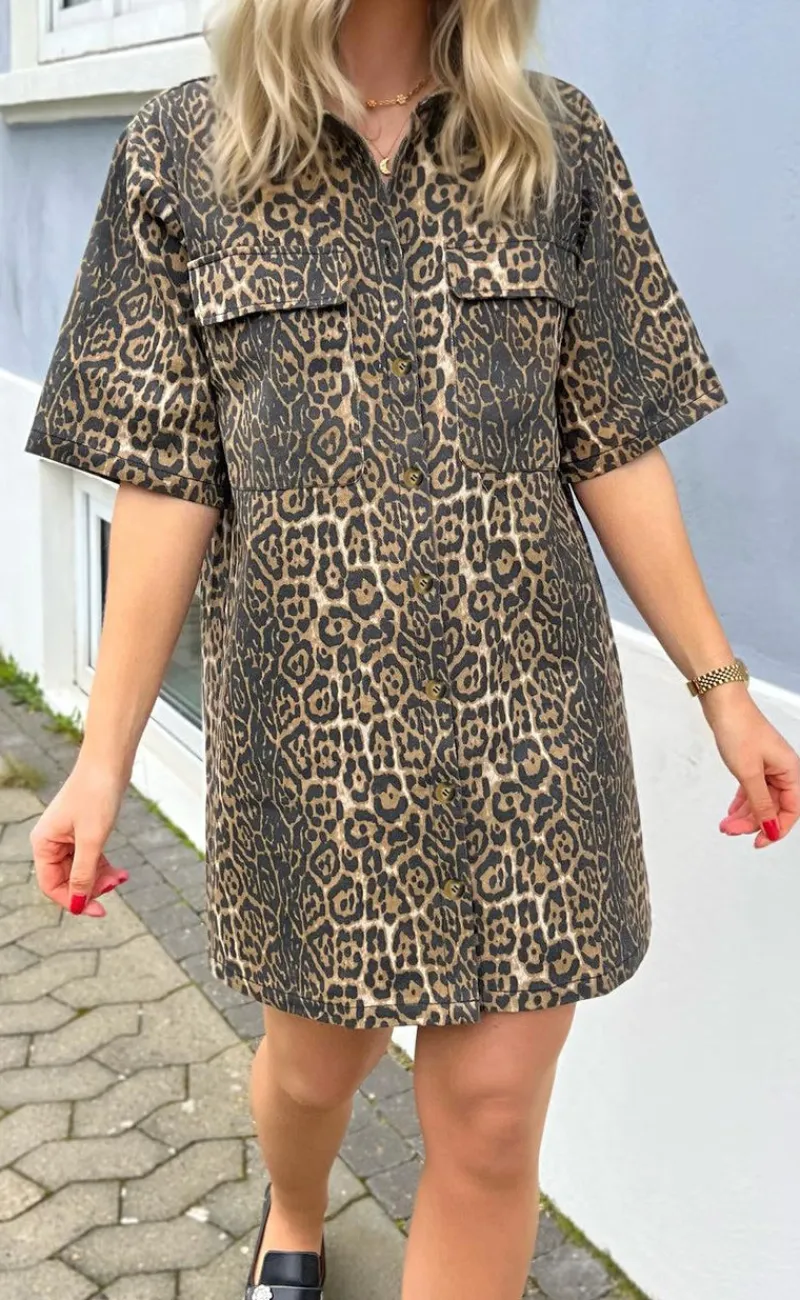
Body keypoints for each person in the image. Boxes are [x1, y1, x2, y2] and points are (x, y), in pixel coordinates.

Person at [24, 2, 800, 1298]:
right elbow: (165, 480)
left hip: (530, 727)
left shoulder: (554, 143)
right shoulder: (184, 154)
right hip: (309, 736)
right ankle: (295, 1204)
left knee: (491, 1120)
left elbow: (615, 440)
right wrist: (103, 760)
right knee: (315, 1067)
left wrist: (723, 691)